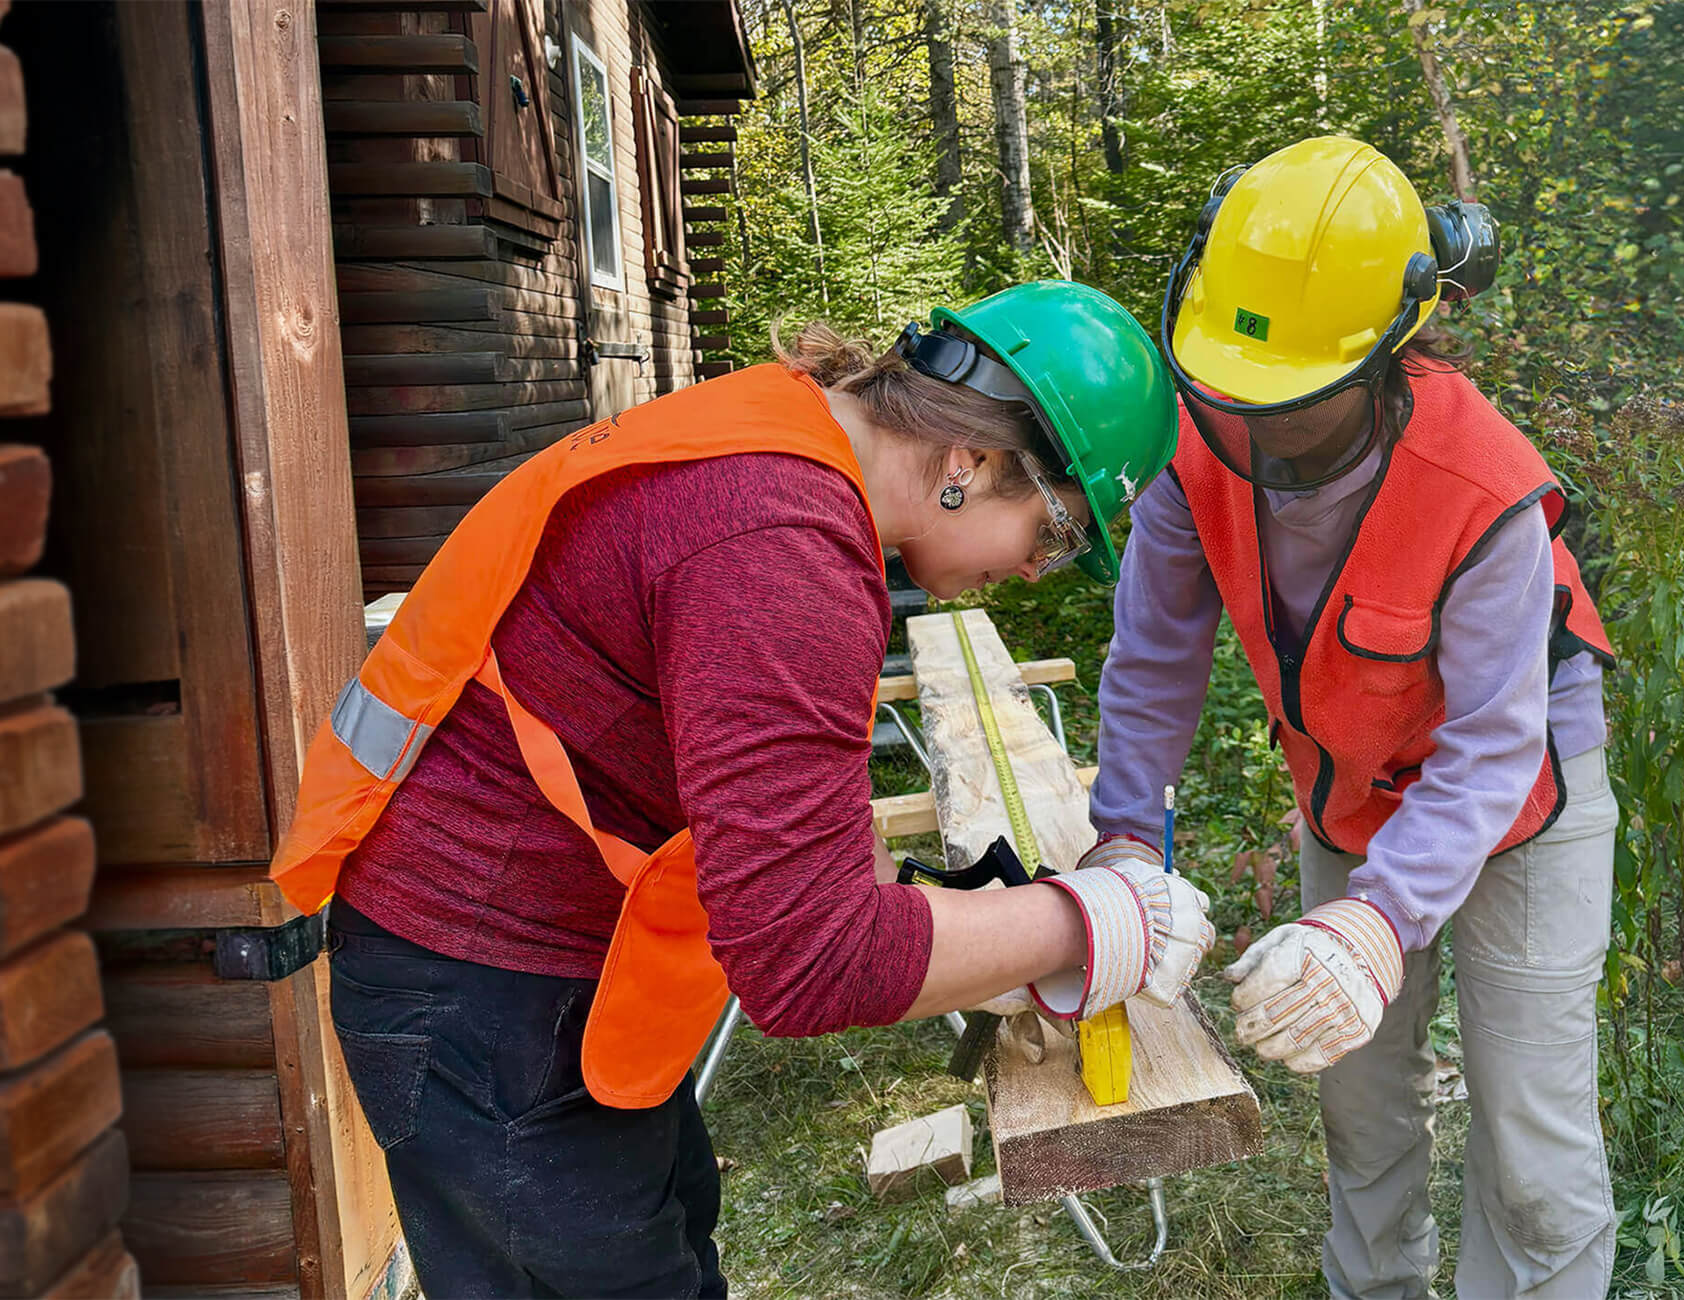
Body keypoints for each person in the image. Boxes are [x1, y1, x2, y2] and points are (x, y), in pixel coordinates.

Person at [268, 280, 1215, 1299]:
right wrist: (1087, 921)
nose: (1035, 571)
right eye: (1055, 533)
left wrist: (990, 941)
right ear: (970, 461)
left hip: (539, 965)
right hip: (482, 988)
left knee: (675, 1234)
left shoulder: (788, 444)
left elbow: (803, 834)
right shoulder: (779, 549)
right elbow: (808, 963)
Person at [1089, 137, 1620, 1298]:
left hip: (1521, 798)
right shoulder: (1195, 440)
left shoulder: (1482, 485)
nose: (1253, 419)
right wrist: (1122, 844)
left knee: (1529, 1135)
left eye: (1292, 397)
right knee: (1359, 1098)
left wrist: (1376, 924)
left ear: (1385, 354)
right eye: (1233, 387)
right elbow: (1154, 657)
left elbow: (1492, 745)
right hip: (1350, 787)